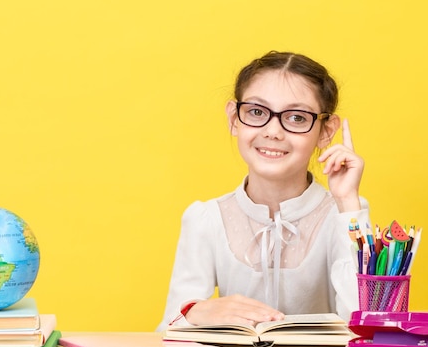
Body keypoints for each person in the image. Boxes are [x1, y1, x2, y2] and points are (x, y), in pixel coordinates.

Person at [156, 51, 370, 331]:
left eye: (296, 117)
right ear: (234, 118)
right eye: (257, 112)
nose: (273, 131)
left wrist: (348, 204)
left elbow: (366, 324)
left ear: (326, 132)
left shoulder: (345, 214)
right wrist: (197, 311)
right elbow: (166, 331)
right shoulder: (205, 218)